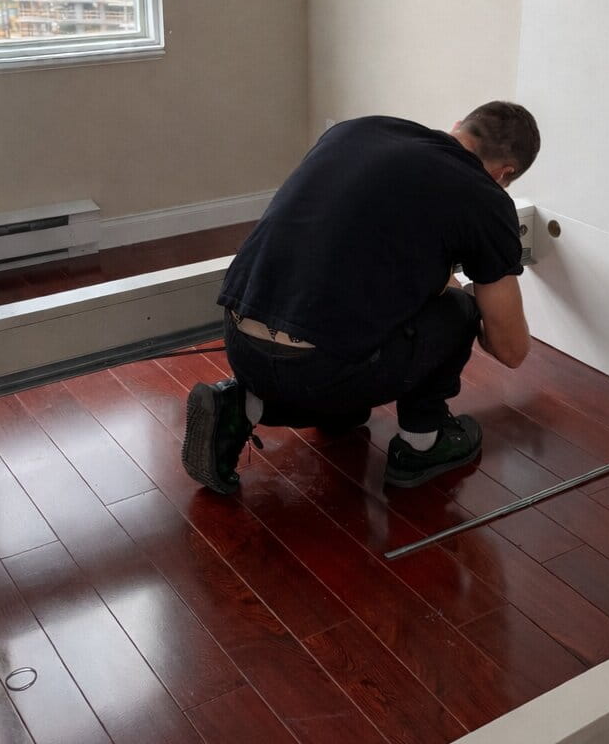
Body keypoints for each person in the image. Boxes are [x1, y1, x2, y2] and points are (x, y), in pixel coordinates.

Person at [181, 102, 539, 494]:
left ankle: (242, 406)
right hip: (321, 368)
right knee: (459, 309)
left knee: (347, 372)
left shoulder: (359, 131)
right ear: (505, 174)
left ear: (457, 128)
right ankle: (424, 443)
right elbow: (512, 351)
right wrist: (478, 318)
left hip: (241, 343)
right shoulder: (484, 197)